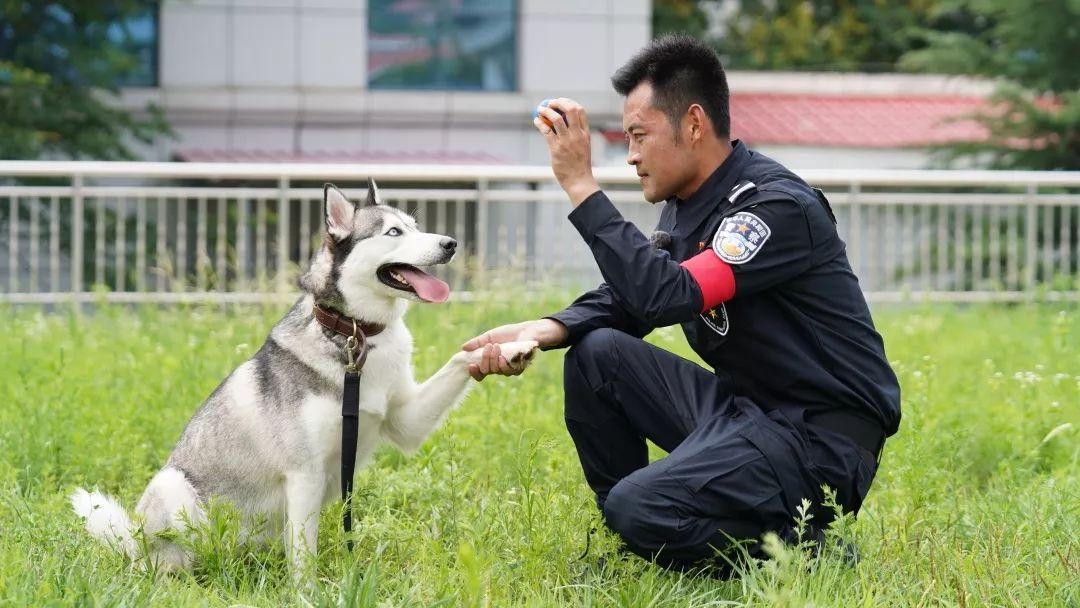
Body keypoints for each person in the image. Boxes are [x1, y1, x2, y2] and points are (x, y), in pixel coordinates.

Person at [461, 34, 901, 571]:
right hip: (745, 413)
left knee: (639, 505)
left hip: (817, 440)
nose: (631, 155)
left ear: (693, 124)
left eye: (639, 136)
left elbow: (670, 295)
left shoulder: (770, 208)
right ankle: (641, 540)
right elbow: (634, 300)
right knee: (596, 351)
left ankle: (804, 553)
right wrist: (549, 328)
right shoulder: (687, 206)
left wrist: (580, 184)